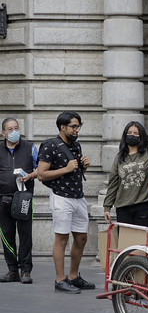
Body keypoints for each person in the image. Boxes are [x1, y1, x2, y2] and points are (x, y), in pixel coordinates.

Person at [37, 111, 94, 294]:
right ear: (63, 127)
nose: (77, 130)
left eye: (78, 126)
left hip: (78, 196)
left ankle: (73, 276)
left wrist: (82, 166)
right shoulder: (50, 145)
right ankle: (60, 279)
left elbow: (74, 172)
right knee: (62, 239)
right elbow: (41, 174)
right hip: (61, 197)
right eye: (74, 126)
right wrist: (66, 168)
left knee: (81, 238)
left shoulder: (76, 145)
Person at [0, 118, 38, 284]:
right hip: (2, 198)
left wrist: (30, 175)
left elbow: (41, 169)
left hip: (23, 197)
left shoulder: (30, 147)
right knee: (6, 235)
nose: (14, 131)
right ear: (3, 133)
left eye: (16, 128)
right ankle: (12, 270)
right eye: (10, 129)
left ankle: (26, 270)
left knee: (25, 234)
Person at [103, 121, 148, 227]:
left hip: (144, 205)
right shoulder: (119, 157)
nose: (132, 135)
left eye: (136, 133)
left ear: (141, 136)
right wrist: (107, 206)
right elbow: (113, 183)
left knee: (142, 240)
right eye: (129, 133)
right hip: (123, 207)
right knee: (126, 241)